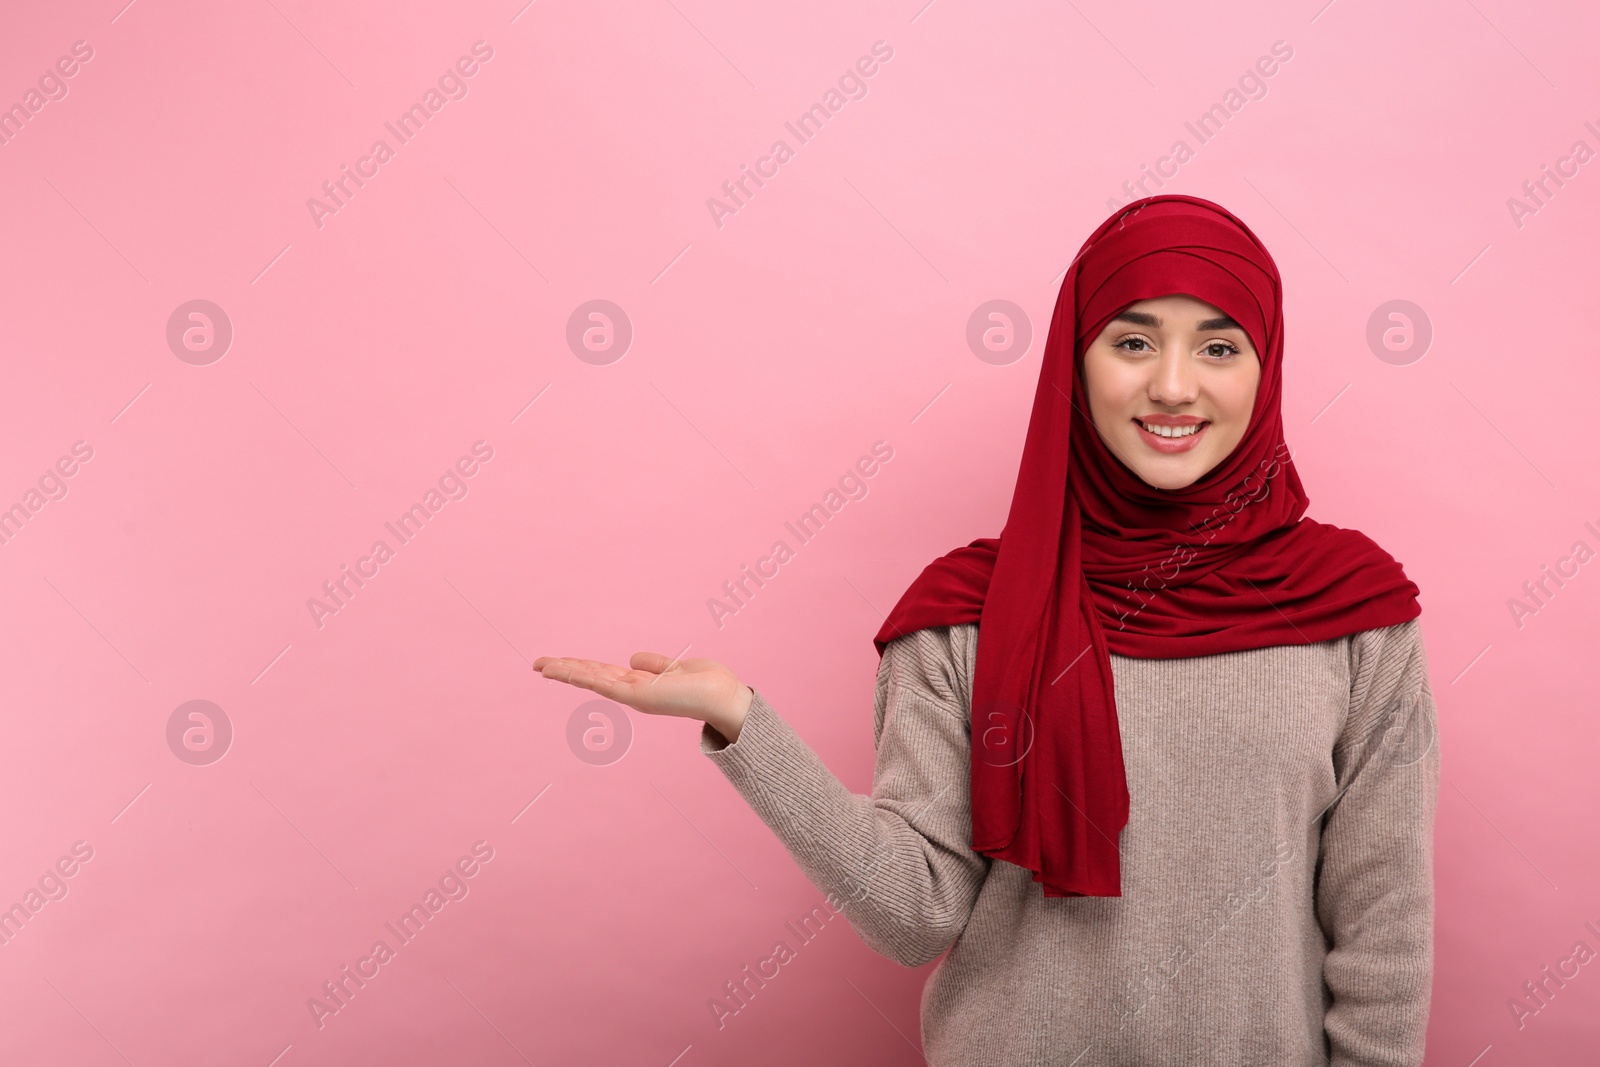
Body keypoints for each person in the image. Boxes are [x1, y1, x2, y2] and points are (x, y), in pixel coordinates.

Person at [533, 195, 1441, 1065]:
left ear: (1267, 365)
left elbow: (1382, 926)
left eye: (1218, 345)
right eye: (1132, 341)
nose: (1173, 385)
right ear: (1073, 361)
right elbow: (914, 912)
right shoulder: (964, 617)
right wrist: (740, 720)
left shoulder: (1352, 614)